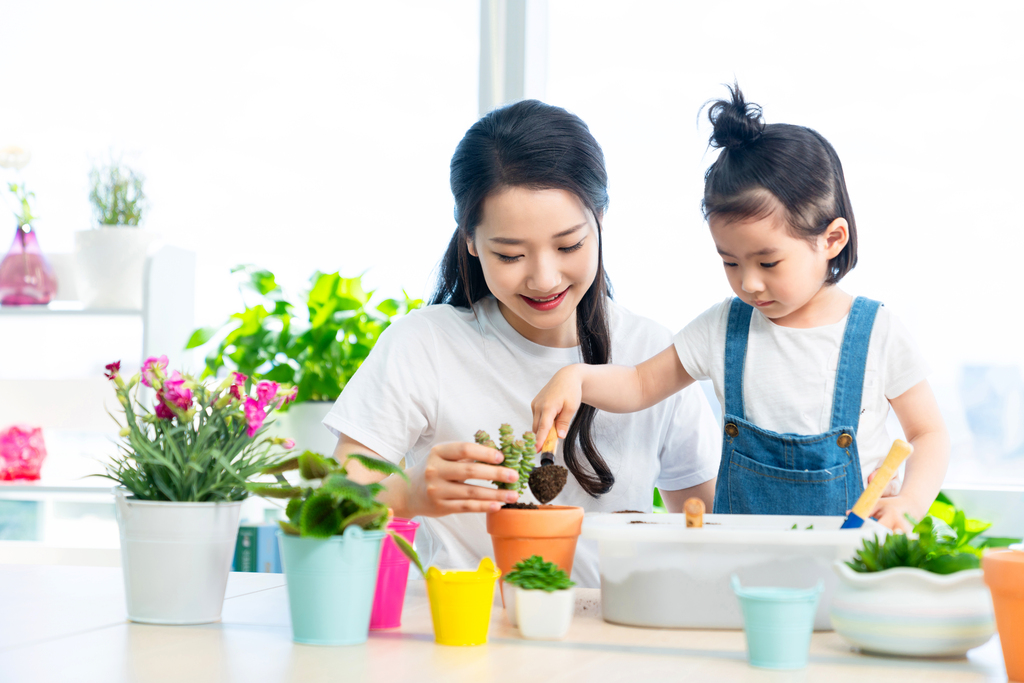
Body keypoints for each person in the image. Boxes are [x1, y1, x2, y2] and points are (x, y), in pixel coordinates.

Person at [323, 100, 720, 586]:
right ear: (469, 239)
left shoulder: (651, 355)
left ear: (601, 218)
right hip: (463, 639)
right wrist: (407, 494)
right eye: (510, 254)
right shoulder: (423, 344)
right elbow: (331, 497)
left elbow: (711, 526)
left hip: (607, 640)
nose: (544, 277)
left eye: (569, 246)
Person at [531, 85, 949, 532]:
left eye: (768, 262)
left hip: (845, 564)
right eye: (729, 261)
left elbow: (928, 434)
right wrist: (576, 377)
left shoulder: (876, 333)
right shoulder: (724, 328)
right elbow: (637, 384)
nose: (748, 282)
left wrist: (909, 500)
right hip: (740, 567)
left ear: (832, 240)